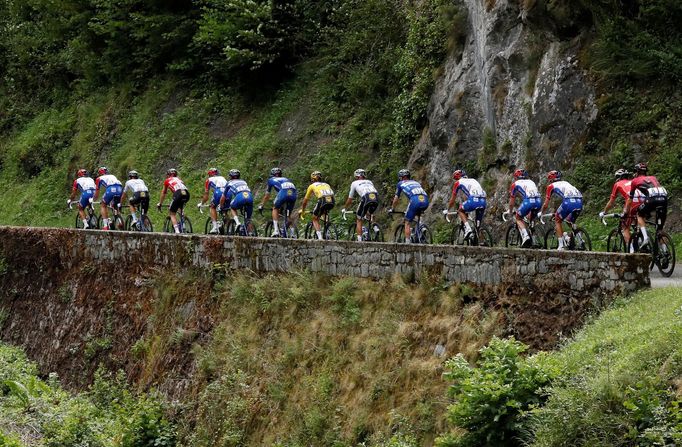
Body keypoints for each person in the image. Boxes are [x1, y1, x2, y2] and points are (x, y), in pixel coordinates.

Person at [625, 162, 668, 250]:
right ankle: (665, 251)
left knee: (639, 214)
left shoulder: (635, 181)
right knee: (660, 229)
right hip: (664, 198)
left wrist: (626, 212)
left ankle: (645, 238)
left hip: (652, 199)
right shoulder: (653, 177)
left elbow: (630, 199)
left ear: (636, 172)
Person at [598, 168, 643, 250]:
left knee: (625, 227)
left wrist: (604, 212)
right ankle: (641, 239)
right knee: (638, 221)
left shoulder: (618, 184)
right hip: (643, 201)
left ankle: (631, 250)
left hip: (632, 203)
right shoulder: (633, 181)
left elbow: (611, 202)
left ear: (618, 177)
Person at [539, 170, 583, 250]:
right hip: (579, 201)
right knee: (570, 221)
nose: (549, 181)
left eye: (549, 179)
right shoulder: (566, 182)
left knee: (557, 219)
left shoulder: (551, 186)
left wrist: (541, 212)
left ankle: (561, 245)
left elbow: (545, 204)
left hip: (568, 202)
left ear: (551, 179)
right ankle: (579, 239)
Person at [442, 169, 486, 240]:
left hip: (473, 200)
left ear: (457, 178)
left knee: (460, 210)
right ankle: (481, 241)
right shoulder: (473, 180)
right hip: (483, 201)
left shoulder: (458, 183)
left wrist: (448, 210)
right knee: (477, 227)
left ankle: (468, 229)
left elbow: (452, 200)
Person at [388, 169, 429, 243]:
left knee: (407, 221)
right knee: (417, 215)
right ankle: (421, 226)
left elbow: (396, 199)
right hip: (425, 200)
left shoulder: (400, 183)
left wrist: (392, 209)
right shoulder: (415, 182)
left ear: (401, 177)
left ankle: (407, 243)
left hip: (415, 200)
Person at [341, 169, 379, 242]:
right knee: (370, 215)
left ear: (356, 176)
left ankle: (359, 240)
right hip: (376, 197)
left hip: (366, 197)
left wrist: (345, 208)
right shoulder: (369, 181)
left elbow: (350, 199)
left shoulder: (354, 183)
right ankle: (375, 228)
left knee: (359, 219)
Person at [258, 167, 297, 237]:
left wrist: (262, 205)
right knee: (288, 215)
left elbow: (267, 195)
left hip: (284, 193)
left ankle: (276, 231)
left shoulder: (271, 180)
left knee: (275, 208)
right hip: (293, 193)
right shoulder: (286, 179)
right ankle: (292, 234)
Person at [508, 168, 541, 248]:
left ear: (516, 177)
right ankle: (534, 239)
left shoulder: (515, 184)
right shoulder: (531, 181)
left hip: (528, 201)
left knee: (518, 218)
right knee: (530, 219)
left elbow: (512, 202)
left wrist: (510, 211)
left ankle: (526, 237)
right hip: (538, 201)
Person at [299, 171, 335, 240]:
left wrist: (303, 211)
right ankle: (328, 231)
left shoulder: (312, 186)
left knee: (315, 219)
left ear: (312, 179)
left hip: (322, 200)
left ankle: (320, 238)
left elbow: (305, 201)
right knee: (324, 213)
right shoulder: (326, 184)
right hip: (332, 200)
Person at [219, 169, 255, 234]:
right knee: (248, 219)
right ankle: (251, 233)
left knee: (232, 207)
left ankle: (237, 222)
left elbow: (223, 197)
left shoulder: (229, 183)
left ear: (230, 176)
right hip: (249, 196)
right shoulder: (243, 181)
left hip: (240, 196)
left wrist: (221, 206)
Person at [157, 168, 190, 234]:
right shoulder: (179, 179)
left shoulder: (167, 180)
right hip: (186, 194)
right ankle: (183, 225)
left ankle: (177, 231)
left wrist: (160, 203)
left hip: (178, 194)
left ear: (168, 175)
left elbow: (164, 193)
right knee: (180, 209)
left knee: (172, 213)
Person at [198, 168, 228, 234]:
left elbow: (206, 195)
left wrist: (202, 203)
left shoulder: (209, 180)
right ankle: (227, 226)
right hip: (228, 192)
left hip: (219, 192)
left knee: (212, 207)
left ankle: (215, 227)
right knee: (225, 209)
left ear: (209, 175)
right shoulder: (223, 178)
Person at [93, 166, 123, 230]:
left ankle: (105, 226)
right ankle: (119, 220)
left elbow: (97, 191)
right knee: (115, 204)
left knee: (103, 205)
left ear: (100, 173)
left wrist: (94, 199)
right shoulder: (112, 176)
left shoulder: (99, 178)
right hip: (120, 188)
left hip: (111, 189)